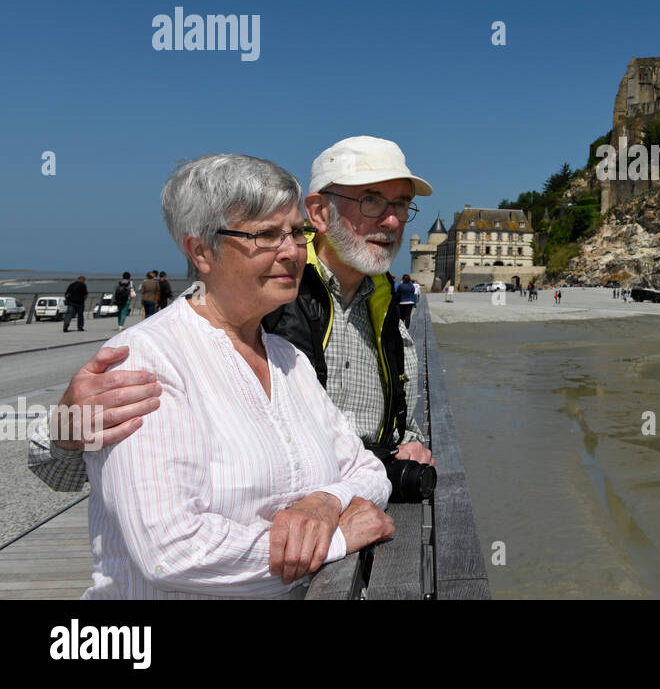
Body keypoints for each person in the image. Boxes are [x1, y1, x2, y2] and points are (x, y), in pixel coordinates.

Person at [27, 136, 435, 491]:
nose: (393, 220)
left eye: (401, 204)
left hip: (361, 520)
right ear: (319, 212)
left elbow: (398, 425)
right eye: (372, 201)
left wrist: (407, 451)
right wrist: (65, 429)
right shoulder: (259, 292)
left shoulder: (385, 308)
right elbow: (62, 473)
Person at [84, 153, 394, 598]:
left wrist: (324, 503)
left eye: (296, 232)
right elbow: (170, 549)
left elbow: (366, 468)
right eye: (266, 235)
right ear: (201, 251)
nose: (292, 252)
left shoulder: (288, 360)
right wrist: (338, 539)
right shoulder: (145, 361)